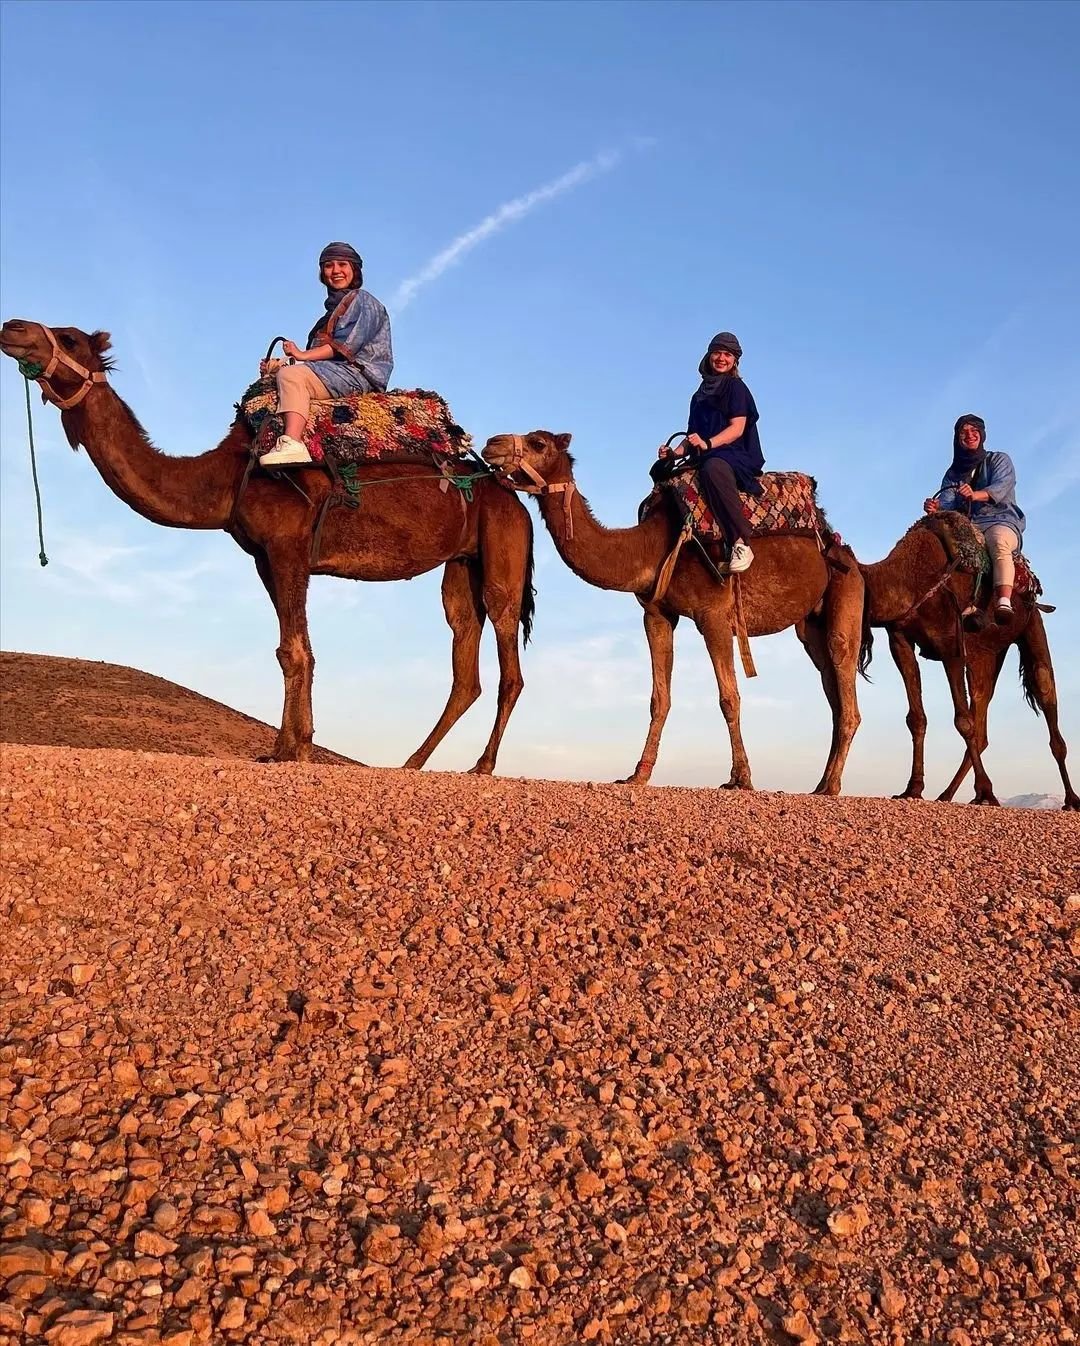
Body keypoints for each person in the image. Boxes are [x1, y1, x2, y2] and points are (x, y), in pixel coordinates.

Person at [258, 241, 394, 468]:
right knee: (283, 374)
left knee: (291, 377)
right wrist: (279, 363)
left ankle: (292, 443)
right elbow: (318, 358)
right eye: (329, 266)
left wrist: (299, 356)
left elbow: (343, 348)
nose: (336, 271)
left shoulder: (363, 301)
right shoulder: (330, 314)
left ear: (355, 269)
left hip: (357, 374)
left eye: (342, 264)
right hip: (334, 371)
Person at [661, 331, 764, 573]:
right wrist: (673, 453)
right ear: (708, 356)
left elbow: (737, 428)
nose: (721, 358)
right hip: (706, 452)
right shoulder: (698, 397)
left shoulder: (735, 388)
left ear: (735, 360)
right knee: (666, 481)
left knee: (712, 468)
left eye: (727, 354)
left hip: (733, 453)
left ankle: (740, 542)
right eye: (717, 352)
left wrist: (707, 443)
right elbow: (691, 438)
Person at [924, 413, 1026, 624]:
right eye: (964, 432)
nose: (969, 435)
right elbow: (949, 503)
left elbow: (1002, 485)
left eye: (973, 431)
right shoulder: (954, 474)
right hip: (969, 525)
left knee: (998, 542)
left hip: (1001, 519)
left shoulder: (999, 460)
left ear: (981, 434)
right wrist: (937, 508)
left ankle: (1003, 601)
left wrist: (976, 495)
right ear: (957, 438)